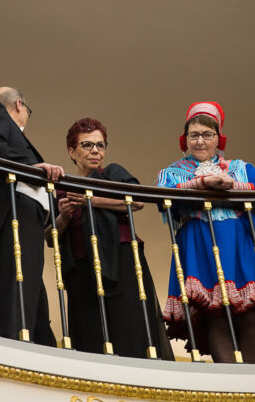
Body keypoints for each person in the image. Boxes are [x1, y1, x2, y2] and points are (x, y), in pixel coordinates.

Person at [156, 101, 255, 363]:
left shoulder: (239, 167)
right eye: (194, 135)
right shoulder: (171, 172)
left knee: (250, 314)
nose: (200, 141)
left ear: (218, 139)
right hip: (199, 242)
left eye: (207, 135)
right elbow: (166, 200)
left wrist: (234, 185)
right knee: (215, 315)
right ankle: (231, 385)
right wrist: (201, 183)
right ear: (184, 140)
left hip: (238, 243)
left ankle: (252, 384)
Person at [50, 118, 173, 359]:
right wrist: (64, 216)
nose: (96, 150)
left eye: (101, 145)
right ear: (72, 151)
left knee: (130, 327)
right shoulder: (61, 188)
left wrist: (90, 200)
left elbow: (137, 201)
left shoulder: (113, 172)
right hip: (81, 270)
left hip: (122, 262)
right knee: (91, 336)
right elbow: (48, 235)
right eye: (87, 145)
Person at [0, 87, 62, 346]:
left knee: (30, 295)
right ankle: (14, 350)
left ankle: (35, 349)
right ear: (19, 104)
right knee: (15, 291)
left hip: (26, 218)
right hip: (13, 215)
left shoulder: (14, 133)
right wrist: (30, 168)